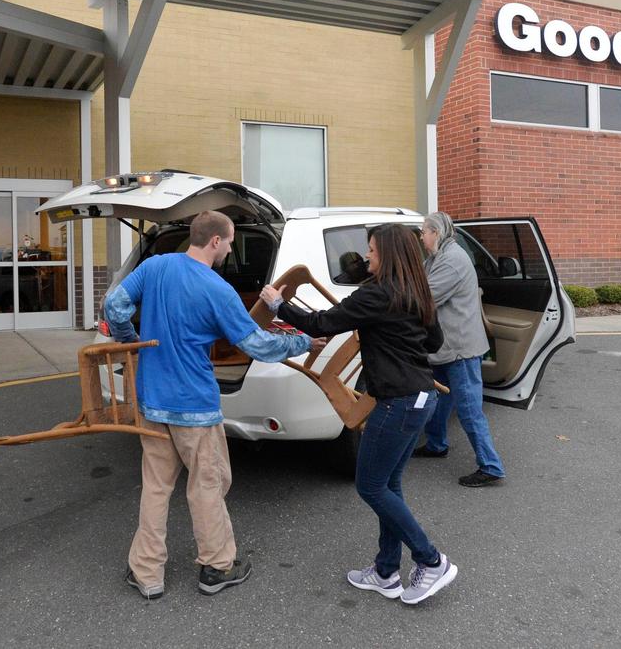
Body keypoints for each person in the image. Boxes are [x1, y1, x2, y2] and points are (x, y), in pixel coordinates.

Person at [104, 210, 322, 600]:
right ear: (216, 241)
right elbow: (256, 344)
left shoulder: (155, 266)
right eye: (231, 241)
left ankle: (147, 573)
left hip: (152, 400)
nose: (230, 249)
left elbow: (114, 306)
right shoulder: (217, 289)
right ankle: (217, 567)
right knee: (207, 485)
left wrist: (130, 343)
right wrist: (303, 342)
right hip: (195, 407)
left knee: (156, 488)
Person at [259, 223, 456, 606]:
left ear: (389, 254)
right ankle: (385, 572)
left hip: (396, 404)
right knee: (389, 487)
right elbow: (435, 342)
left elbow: (322, 324)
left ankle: (431, 560)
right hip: (420, 399)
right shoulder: (416, 292)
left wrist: (277, 304)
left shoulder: (378, 295)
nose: (367, 256)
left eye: (372, 250)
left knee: (370, 487)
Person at [413, 211, 505, 488]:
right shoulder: (437, 258)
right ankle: (437, 444)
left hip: (459, 348)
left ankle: (491, 466)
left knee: (469, 409)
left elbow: (424, 298)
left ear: (436, 233)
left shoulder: (451, 261)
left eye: (423, 232)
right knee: (440, 399)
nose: (421, 237)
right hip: (445, 346)